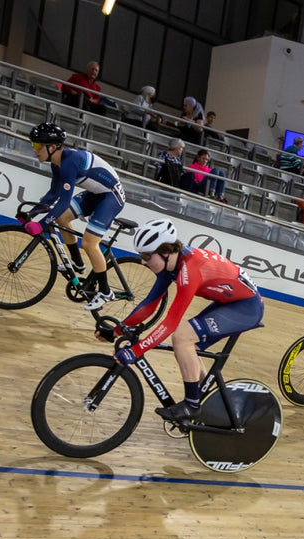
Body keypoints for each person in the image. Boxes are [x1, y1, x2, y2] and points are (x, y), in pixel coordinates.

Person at [100, 219, 264, 422]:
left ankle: (192, 405)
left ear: (165, 251)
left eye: (146, 256)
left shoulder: (191, 269)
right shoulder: (171, 265)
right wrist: (116, 330)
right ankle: (212, 403)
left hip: (246, 308)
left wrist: (135, 351)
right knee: (187, 347)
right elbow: (149, 306)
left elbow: (171, 322)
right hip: (229, 302)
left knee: (182, 337)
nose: (142, 261)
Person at [28, 122, 124, 310]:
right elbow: (53, 194)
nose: (34, 150)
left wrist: (41, 224)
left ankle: (105, 292)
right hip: (95, 194)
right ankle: (78, 264)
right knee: (61, 218)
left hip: (110, 198)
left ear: (52, 147)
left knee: (89, 243)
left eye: (38, 146)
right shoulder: (57, 163)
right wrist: (30, 213)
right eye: (33, 145)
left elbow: (63, 202)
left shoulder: (69, 163)